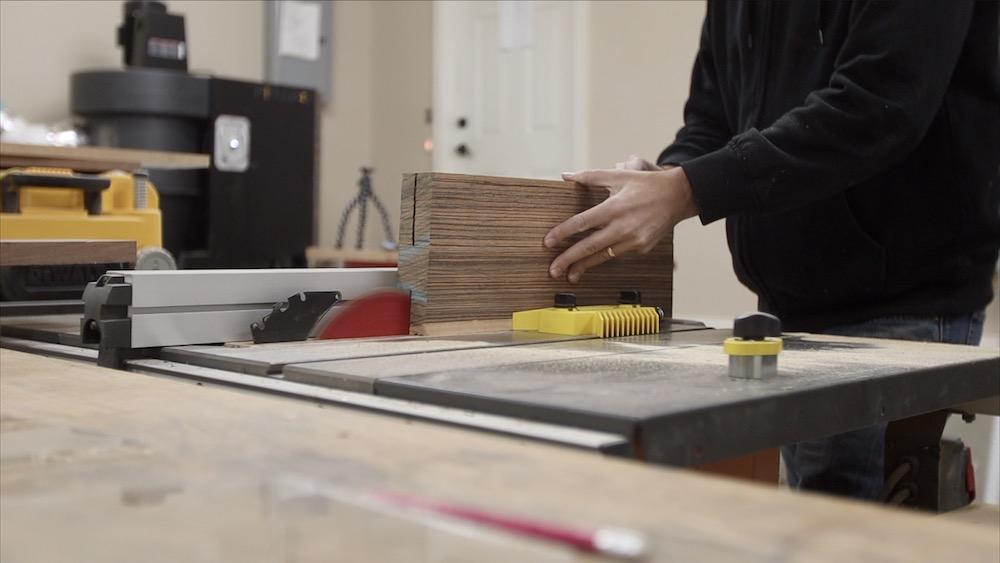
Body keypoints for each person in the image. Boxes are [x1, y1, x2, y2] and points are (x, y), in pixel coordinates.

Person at [544, 1, 999, 500]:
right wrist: (664, 179)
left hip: (900, 297)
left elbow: (878, 108)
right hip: (792, 298)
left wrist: (687, 189)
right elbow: (712, 120)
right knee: (817, 510)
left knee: (844, 527)